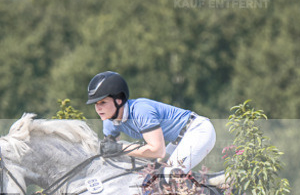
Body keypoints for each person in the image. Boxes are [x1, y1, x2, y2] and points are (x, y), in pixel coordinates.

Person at [86, 71, 216, 174]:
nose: (98, 108)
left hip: (198, 131)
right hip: (178, 141)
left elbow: (158, 151)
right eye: (95, 104)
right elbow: (111, 152)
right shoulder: (109, 120)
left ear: (118, 100)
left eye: (103, 102)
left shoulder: (141, 111)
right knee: (151, 176)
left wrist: (120, 148)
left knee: (170, 176)